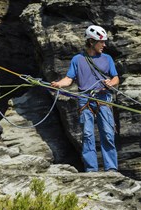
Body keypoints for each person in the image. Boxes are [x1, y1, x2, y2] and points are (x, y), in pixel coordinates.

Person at [51, 25, 119, 172]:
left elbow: (115, 78)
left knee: (107, 133)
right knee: (87, 135)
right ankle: (91, 169)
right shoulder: (78, 59)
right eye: (101, 42)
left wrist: (110, 83)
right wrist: (58, 84)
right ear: (91, 42)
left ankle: (111, 169)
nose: (104, 45)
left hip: (103, 98)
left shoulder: (107, 59)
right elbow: (69, 79)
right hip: (84, 99)